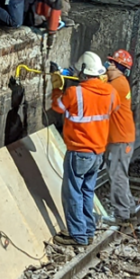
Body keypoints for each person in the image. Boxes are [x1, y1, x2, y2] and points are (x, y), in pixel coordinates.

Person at [50, 51, 119, 247]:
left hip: (79, 152)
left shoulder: (75, 93)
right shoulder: (111, 92)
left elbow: (58, 107)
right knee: (87, 192)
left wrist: (57, 87)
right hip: (98, 154)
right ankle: (88, 231)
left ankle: (78, 235)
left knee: (72, 192)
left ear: (82, 71)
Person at [105, 49, 137, 225]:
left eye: (110, 63)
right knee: (120, 174)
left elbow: (97, 95)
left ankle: (121, 214)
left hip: (120, 138)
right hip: (122, 137)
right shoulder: (119, 82)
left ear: (118, 67)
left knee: (116, 175)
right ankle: (129, 208)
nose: (107, 66)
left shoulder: (117, 84)